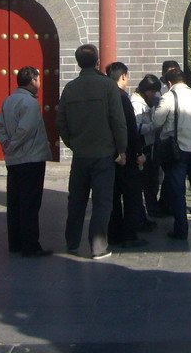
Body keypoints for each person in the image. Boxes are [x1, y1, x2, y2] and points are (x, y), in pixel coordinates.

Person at [57, 43, 127, 259]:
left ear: (78, 62)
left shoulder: (70, 88)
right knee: (102, 201)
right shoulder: (107, 86)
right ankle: (98, 247)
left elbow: (61, 122)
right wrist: (122, 149)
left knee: (76, 200)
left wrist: (73, 144)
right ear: (97, 61)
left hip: (80, 154)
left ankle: (72, 242)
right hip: (104, 153)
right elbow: (118, 120)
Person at [0, 65, 53, 257]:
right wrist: (13, 144)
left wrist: (6, 142)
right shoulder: (30, 104)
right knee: (30, 204)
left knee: (15, 202)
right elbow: (25, 130)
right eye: (38, 79)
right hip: (30, 158)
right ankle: (30, 245)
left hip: (14, 161)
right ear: (32, 81)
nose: (39, 83)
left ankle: (15, 243)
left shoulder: (8, 101)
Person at [153, 66, 191, 240]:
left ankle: (181, 229)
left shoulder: (168, 97)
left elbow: (157, 121)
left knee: (177, 191)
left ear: (169, 82)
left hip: (177, 150)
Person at [106, 62, 149, 248]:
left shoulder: (105, 96)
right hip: (127, 154)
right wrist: (138, 151)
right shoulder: (123, 98)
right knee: (131, 196)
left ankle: (113, 233)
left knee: (113, 196)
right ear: (123, 76)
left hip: (108, 153)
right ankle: (129, 234)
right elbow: (130, 128)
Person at [130, 73, 162, 216]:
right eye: (153, 91)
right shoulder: (137, 104)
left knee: (151, 181)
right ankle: (145, 213)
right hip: (142, 147)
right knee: (146, 182)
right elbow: (136, 128)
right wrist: (154, 125)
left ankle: (150, 210)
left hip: (149, 145)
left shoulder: (145, 102)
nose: (154, 95)